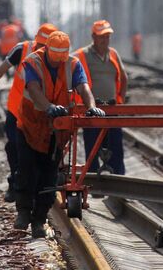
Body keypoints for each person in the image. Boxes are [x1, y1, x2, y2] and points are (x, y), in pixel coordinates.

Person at [15, 31, 105, 238]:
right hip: (30, 126)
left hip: (55, 130)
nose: (58, 63)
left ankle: (39, 220)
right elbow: (34, 89)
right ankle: (22, 211)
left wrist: (91, 107)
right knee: (27, 169)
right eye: (55, 59)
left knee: (48, 175)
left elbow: (83, 87)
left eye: (61, 59)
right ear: (46, 50)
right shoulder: (32, 63)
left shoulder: (72, 64)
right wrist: (49, 107)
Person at [0, 23, 58, 202]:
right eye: (39, 44)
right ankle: (15, 184)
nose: (40, 49)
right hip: (17, 110)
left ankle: (39, 188)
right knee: (14, 148)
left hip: (42, 113)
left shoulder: (57, 57)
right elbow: (0, 71)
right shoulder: (21, 50)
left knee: (42, 152)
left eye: (45, 46)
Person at [73, 20, 128, 175]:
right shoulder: (81, 55)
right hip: (91, 110)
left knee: (116, 146)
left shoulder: (113, 54)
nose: (105, 40)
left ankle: (119, 180)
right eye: (102, 37)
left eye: (107, 36)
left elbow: (123, 78)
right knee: (92, 147)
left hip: (112, 109)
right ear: (93, 37)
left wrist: (120, 101)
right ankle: (92, 182)